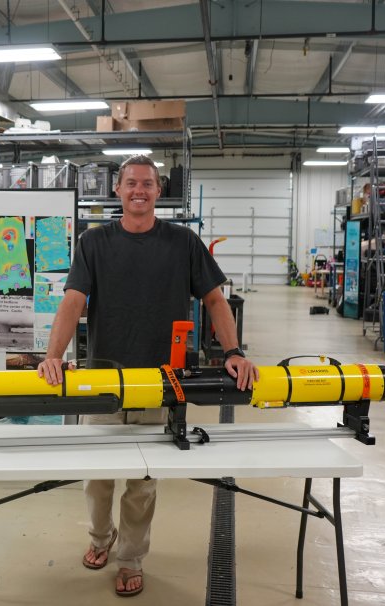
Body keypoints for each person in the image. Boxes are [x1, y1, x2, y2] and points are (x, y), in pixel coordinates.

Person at [37, 155, 258, 597]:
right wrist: (53, 356)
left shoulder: (183, 243)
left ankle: (131, 559)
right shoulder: (94, 242)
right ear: (117, 190)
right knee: (97, 479)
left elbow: (216, 300)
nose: (140, 190)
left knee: (141, 482)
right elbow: (73, 302)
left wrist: (232, 352)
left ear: (159, 192)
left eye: (149, 184)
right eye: (132, 183)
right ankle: (100, 539)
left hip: (161, 383)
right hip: (102, 383)